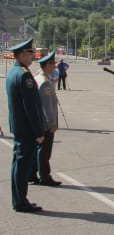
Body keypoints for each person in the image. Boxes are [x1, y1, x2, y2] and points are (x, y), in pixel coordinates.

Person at [6, 37, 45, 212]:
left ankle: (19, 199)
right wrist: (38, 131)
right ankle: (20, 202)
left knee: (18, 164)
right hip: (27, 129)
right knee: (22, 166)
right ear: (22, 54)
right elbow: (30, 107)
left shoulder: (14, 72)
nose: (33, 56)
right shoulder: (25, 75)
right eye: (31, 53)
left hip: (18, 126)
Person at [31, 52, 61, 186]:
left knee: (38, 149)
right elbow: (47, 106)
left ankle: (31, 174)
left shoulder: (39, 77)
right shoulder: (45, 83)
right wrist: (51, 123)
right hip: (45, 123)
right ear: (47, 65)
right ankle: (45, 176)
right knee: (44, 151)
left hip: (39, 121)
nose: (55, 66)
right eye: (53, 63)